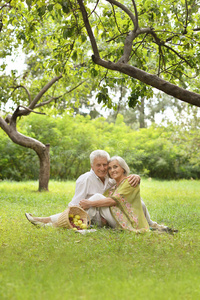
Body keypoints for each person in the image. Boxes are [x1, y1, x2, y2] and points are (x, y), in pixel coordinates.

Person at [25, 150, 165, 230]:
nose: (104, 168)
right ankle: (47, 221)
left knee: (138, 200)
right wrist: (65, 219)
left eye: (106, 165)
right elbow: (74, 205)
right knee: (96, 197)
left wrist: (136, 176)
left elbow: (124, 194)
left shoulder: (111, 180)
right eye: (99, 165)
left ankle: (150, 223)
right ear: (92, 166)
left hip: (111, 216)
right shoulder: (85, 179)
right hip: (90, 216)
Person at [79, 156, 149, 232]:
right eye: (109, 168)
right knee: (98, 199)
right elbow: (104, 202)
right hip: (113, 219)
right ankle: (80, 221)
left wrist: (90, 203)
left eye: (115, 167)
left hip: (125, 223)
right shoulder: (113, 187)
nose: (112, 170)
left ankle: (79, 223)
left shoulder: (129, 182)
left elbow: (114, 200)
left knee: (97, 197)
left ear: (123, 168)